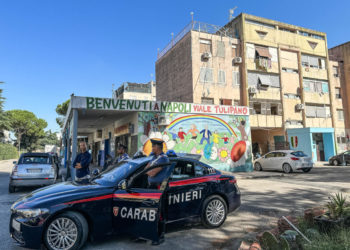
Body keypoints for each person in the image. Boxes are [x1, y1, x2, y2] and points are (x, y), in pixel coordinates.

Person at [145, 139, 170, 245]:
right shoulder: (155, 158)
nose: (152, 148)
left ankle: (160, 236)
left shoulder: (163, 159)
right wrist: (148, 171)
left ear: (158, 147)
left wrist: (149, 171)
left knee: (159, 212)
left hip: (159, 188)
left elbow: (152, 173)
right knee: (152, 211)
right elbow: (146, 169)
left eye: (153, 146)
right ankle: (151, 233)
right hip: (152, 187)